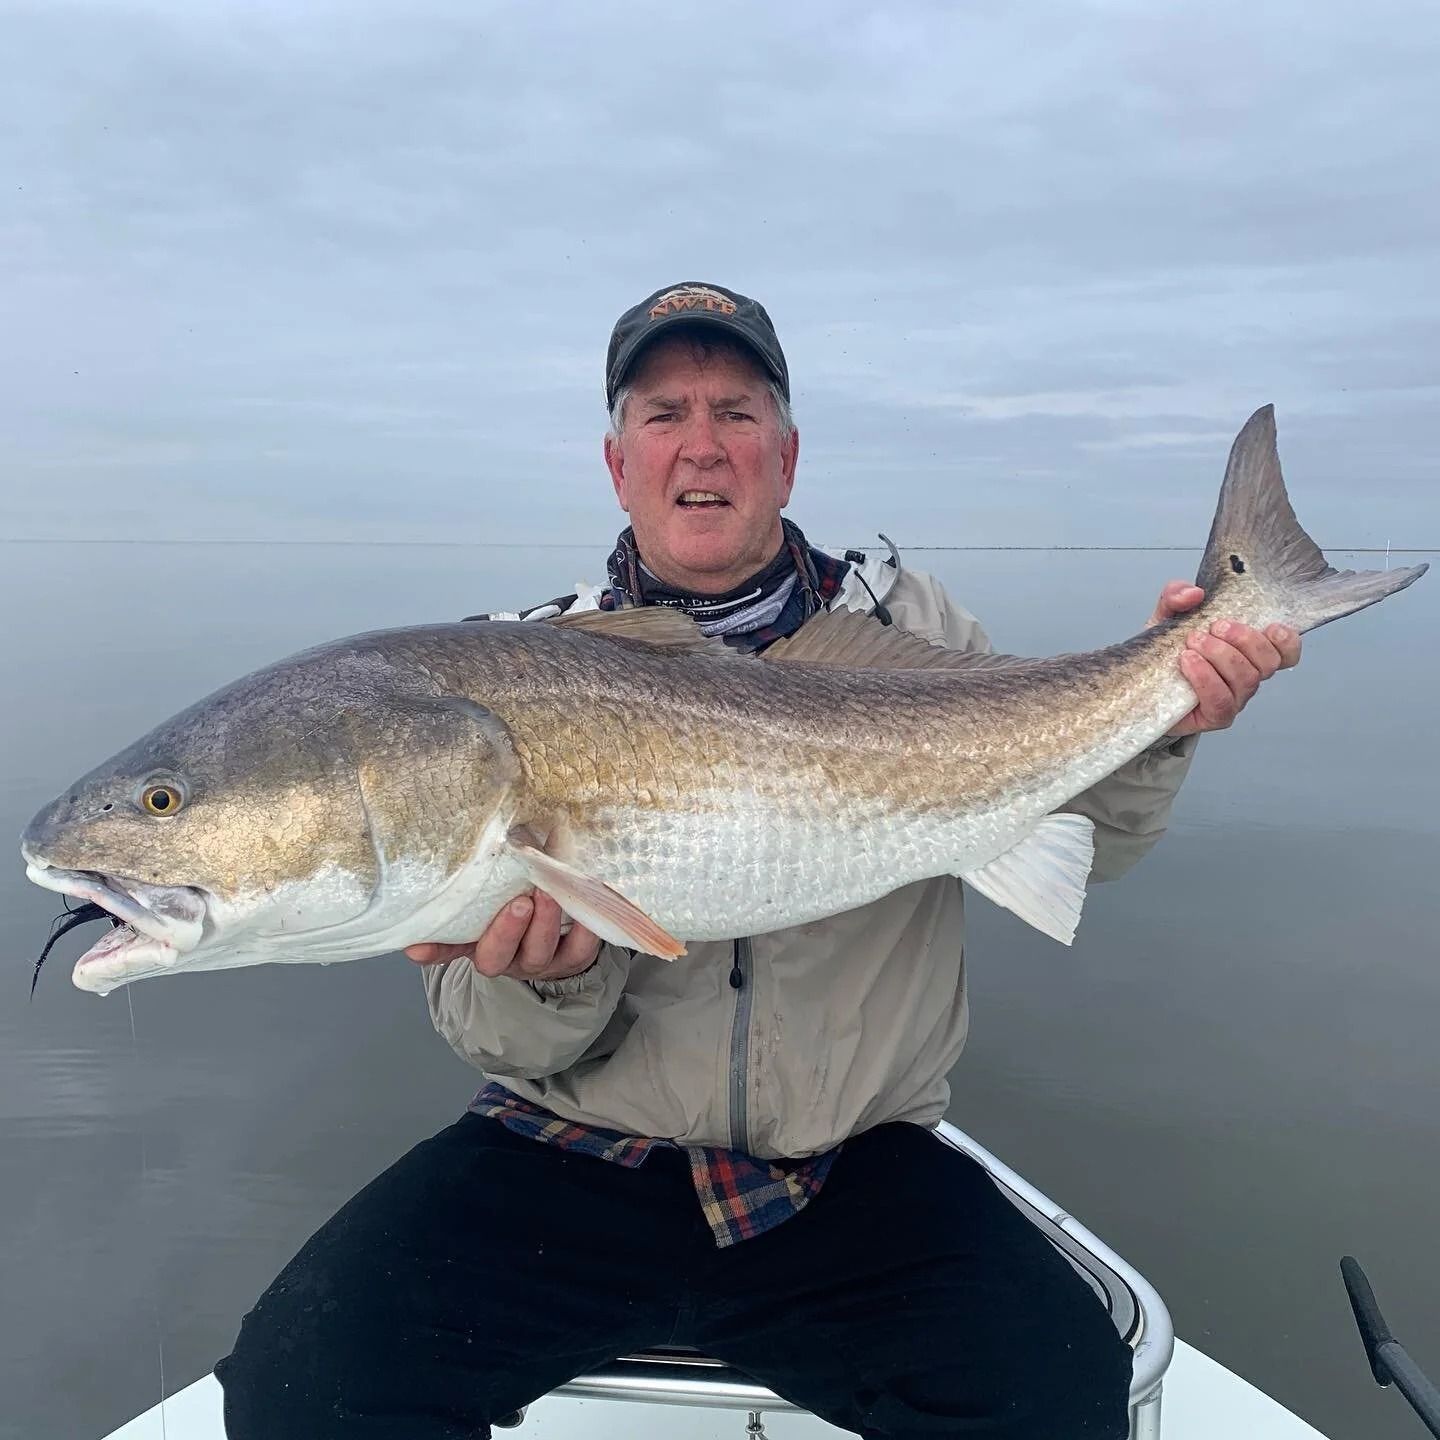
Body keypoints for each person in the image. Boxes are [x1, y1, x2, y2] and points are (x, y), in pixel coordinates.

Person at [215, 282, 1302, 1439]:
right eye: (663, 412)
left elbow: (1093, 837)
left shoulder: (914, 633)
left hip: (851, 1172)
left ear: (787, 457)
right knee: (300, 1390)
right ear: (615, 459)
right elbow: (496, 1039)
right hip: (569, 1160)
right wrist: (549, 975)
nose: (702, 445)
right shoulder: (511, 667)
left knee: (1058, 1397)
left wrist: (1168, 714)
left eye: (736, 412)